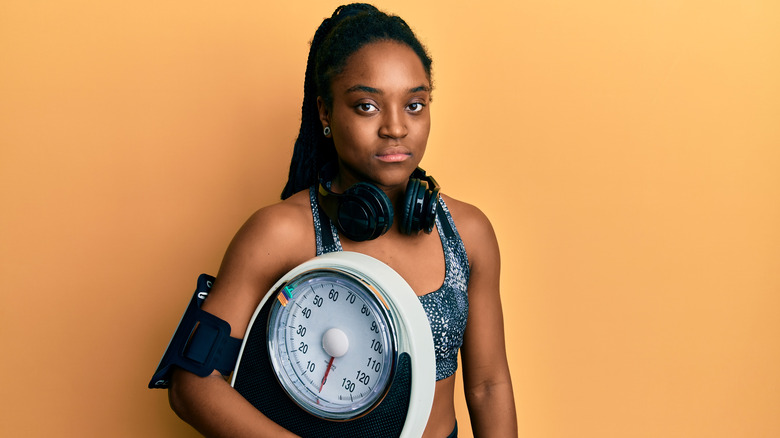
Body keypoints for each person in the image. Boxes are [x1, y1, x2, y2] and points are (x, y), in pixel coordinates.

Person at [168, 4, 517, 437]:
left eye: (414, 104)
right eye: (367, 106)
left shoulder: (468, 232)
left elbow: (487, 385)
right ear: (326, 113)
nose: (395, 127)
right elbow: (191, 384)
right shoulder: (280, 233)